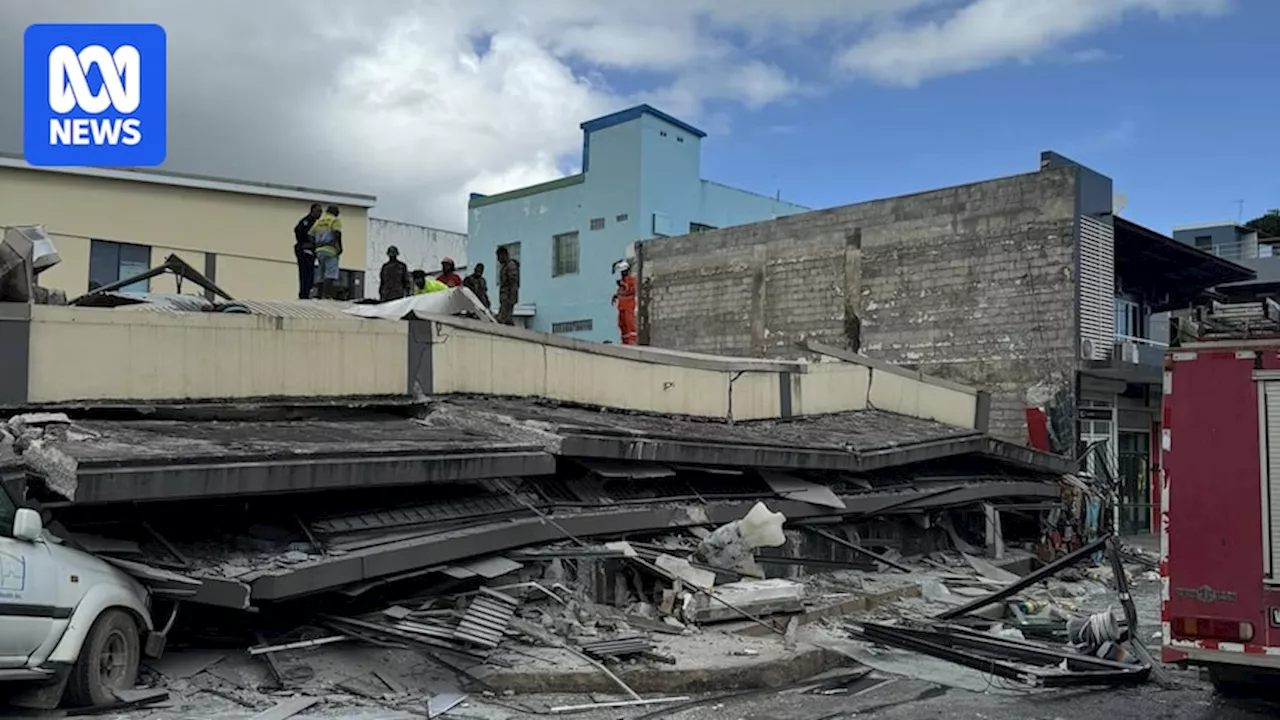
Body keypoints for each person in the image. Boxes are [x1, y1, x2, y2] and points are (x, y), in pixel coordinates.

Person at [308, 204, 343, 299]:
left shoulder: (319, 222)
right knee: (330, 274)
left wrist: (316, 245)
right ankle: (327, 295)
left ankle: (319, 294)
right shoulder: (335, 220)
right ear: (335, 212)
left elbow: (310, 234)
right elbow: (337, 233)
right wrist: (339, 247)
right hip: (331, 249)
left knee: (321, 273)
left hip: (319, 250)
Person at [292, 203, 322, 299]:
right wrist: (305, 242)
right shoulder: (307, 221)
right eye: (318, 211)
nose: (320, 214)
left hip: (309, 250)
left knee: (310, 273)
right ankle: (304, 294)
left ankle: (306, 293)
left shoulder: (315, 222)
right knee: (306, 272)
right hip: (304, 249)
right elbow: (297, 230)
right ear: (312, 211)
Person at [612, 260, 638, 345]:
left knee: (629, 323)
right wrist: (615, 296)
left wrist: (623, 285)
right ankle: (625, 342)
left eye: (623, 272)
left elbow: (630, 290)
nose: (622, 274)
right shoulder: (622, 281)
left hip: (629, 306)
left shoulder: (631, 280)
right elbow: (621, 293)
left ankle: (632, 342)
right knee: (622, 324)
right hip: (622, 306)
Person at [496, 246, 520, 325]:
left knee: (504, 318)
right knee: (503, 317)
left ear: (504, 255)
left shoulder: (510, 266)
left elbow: (513, 283)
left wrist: (512, 297)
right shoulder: (504, 266)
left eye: (499, 256)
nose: (498, 259)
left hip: (508, 296)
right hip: (505, 296)